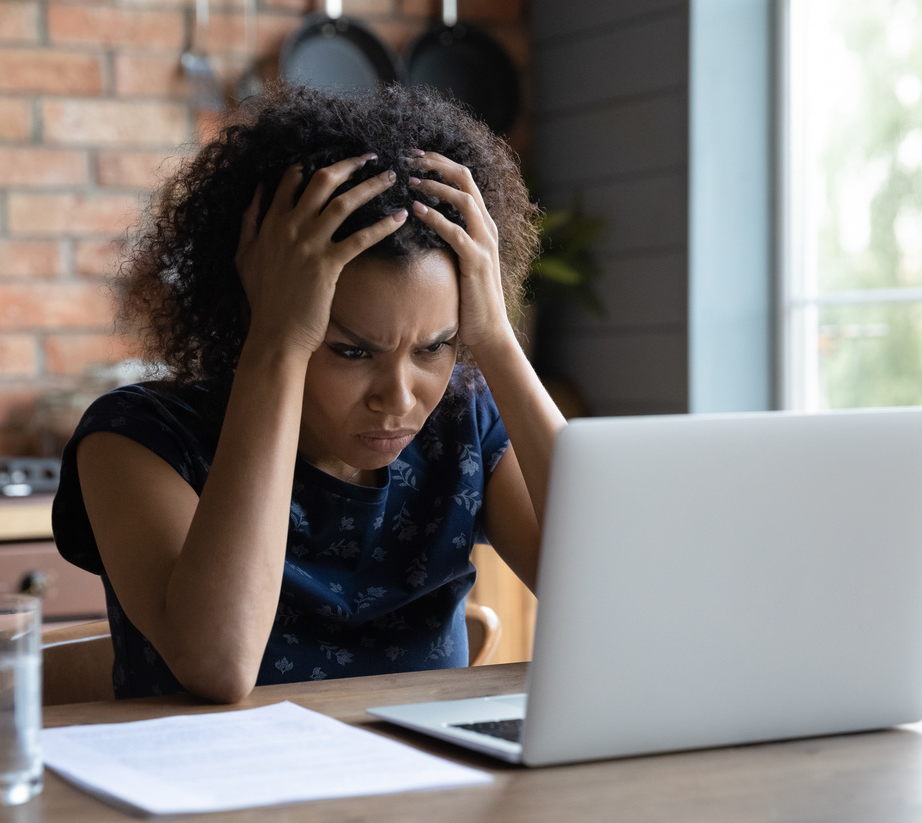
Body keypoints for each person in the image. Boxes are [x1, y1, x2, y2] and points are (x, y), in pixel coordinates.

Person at [52, 83, 566, 703]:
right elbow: (218, 663)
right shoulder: (140, 440)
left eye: (436, 347)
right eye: (351, 351)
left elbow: (624, 598)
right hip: (218, 796)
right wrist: (276, 343)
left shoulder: (464, 423)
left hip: (421, 793)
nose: (399, 397)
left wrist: (497, 341)